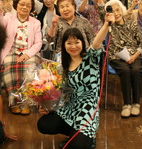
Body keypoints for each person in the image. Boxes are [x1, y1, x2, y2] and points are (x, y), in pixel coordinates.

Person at [37, 14, 112, 149]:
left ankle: (88, 135)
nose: (73, 46)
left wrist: (106, 24)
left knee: (78, 146)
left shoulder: (90, 59)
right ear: (64, 45)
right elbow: (57, 91)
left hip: (87, 110)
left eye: (77, 42)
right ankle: (74, 133)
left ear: (83, 43)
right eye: (69, 43)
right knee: (43, 124)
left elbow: (96, 43)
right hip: (69, 108)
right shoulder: (62, 66)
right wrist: (45, 105)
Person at [0, 0, 42, 115]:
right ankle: (14, 102)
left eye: (28, 5)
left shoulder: (35, 22)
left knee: (30, 66)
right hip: (10, 52)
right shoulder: (8, 18)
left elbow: (38, 42)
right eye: (22, 4)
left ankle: (26, 102)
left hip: (28, 53)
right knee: (9, 64)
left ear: (31, 8)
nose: (24, 7)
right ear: (16, 5)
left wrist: (27, 54)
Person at [105, 0, 142, 118]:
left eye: (118, 10)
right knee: (125, 71)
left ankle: (136, 103)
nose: (116, 13)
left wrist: (134, 56)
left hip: (134, 55)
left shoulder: (132, 24)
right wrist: (108, 22)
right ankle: (126, 104)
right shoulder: (109, 26)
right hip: (116, 56)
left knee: (136, 70)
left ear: (122, 11)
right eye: (112, 11)